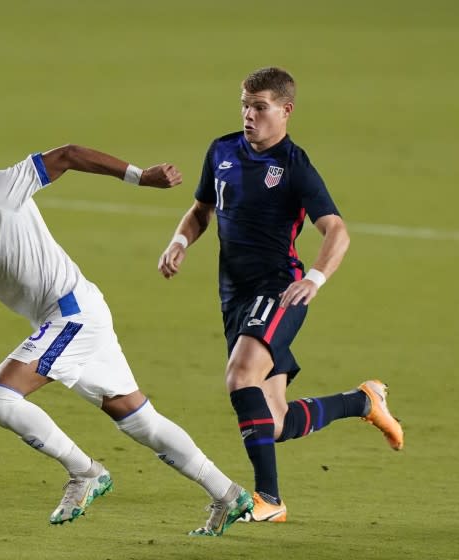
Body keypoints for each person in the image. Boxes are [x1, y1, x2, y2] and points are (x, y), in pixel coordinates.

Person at [0, 122, 253, 535]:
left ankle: (86, 472)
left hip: (72, 314)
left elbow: (68, 155)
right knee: (139, 421)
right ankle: (229, 494)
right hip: (67, 317)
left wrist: (140, 176)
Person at [157, 67, 404, 523]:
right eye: (245, 105)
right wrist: (179, 242)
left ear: (286, 111)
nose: (249, 115)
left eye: (260, 107)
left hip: (280, 289)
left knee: (241, 375)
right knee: (273, 422)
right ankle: (364, 401)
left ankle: (269, 499)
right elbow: (200, 210)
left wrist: (315, 277)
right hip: (233, 296)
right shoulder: (222, 150)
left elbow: (337, 230)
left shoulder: (294, 165)